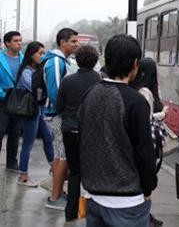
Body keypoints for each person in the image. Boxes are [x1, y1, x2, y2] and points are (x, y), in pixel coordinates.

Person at [78, 34, 157, 227]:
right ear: (135, 64)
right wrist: (148, 187)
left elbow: (79, 139)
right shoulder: (135, 101)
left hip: (93, 195)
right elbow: (144, 151)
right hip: (127, 201)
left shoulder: (90, 94)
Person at [56, 45, 101, 221]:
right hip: (92, 132)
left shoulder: (68, 81)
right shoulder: (100, 81)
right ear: (96, 60)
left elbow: (59, 106)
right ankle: (92, 214)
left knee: (75, 172)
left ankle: (70, 213)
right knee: (93, 172)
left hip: (69, 130)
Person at [44, 27, 79, 210]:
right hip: (57, 115)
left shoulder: (58, 60)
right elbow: (55, 92)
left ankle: (55, 194)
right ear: (62, 42)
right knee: (63, 156)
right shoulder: (56, 62)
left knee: (59, 155)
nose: (76, 44)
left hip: (55, 115)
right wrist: (66, 112)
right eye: (73, 41)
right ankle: (55, 197)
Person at [130, 57, 168, 227]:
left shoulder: (136, 88)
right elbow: (145, 119)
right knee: (145, 181)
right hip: (145, 143)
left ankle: (145, 214)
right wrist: (163, 114)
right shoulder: (145, 92)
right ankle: (144, 216)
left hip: (140, 143)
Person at [16, 41, 53, 187]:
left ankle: (54, 170)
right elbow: (34, 88)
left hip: (39, 110)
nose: (42, 56)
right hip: (30, 111)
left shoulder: (38, 70)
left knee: (48, 138)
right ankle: (23, 176)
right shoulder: (26, 71)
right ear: (31, 54)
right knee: (28, 143)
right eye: (40, 53)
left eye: (44, 53)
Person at [0, 31, 24, 173]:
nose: (19, 43)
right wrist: (4, 94)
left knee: (15, 132)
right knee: (1, 131)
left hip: (19, 101)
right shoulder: (1, 59)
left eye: (20, 41)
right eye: (15, 41)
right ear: (7, 43)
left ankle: (11, 162)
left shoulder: (24, 59)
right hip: (3, 101)